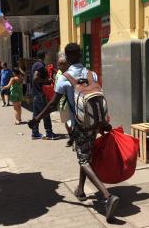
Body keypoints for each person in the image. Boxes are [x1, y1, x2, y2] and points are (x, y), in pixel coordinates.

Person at [28, 43, 119, 222]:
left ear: (68, 58)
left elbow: (53, 104)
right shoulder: (91, 74)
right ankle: (81, 189)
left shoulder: (64, 78)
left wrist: (37, 119)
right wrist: (103, 123)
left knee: (84, 159)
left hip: (79, 125)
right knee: (85, 154)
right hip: (94, 124)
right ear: (81, 55)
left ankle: (108, 197)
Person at [30, 50, 59, 140]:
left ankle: (35, 133)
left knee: (36, 114)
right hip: (40, 93)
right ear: (44, 56)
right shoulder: (40, 65)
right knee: (46, 112)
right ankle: (49, 133)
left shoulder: (35, 64)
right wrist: (47, 80)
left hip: (36, 93)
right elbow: (35, 78)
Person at [55, 52, 73, 146]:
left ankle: (75, 138)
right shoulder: (58, 74)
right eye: (59, 64)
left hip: (73, 101)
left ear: (68, 64)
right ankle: (71, 137)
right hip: (62, 102)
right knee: (66, 121)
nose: (60, 66)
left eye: (63, 64)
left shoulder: (71, 73)